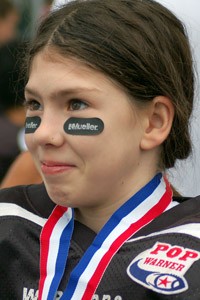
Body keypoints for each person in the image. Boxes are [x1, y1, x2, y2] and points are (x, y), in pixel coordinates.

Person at [0, 0, 200, 299]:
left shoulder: (191, 248)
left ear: (154, 121)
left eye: (76, 104)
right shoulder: (9, 221)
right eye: (34, 104)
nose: (42, 133)